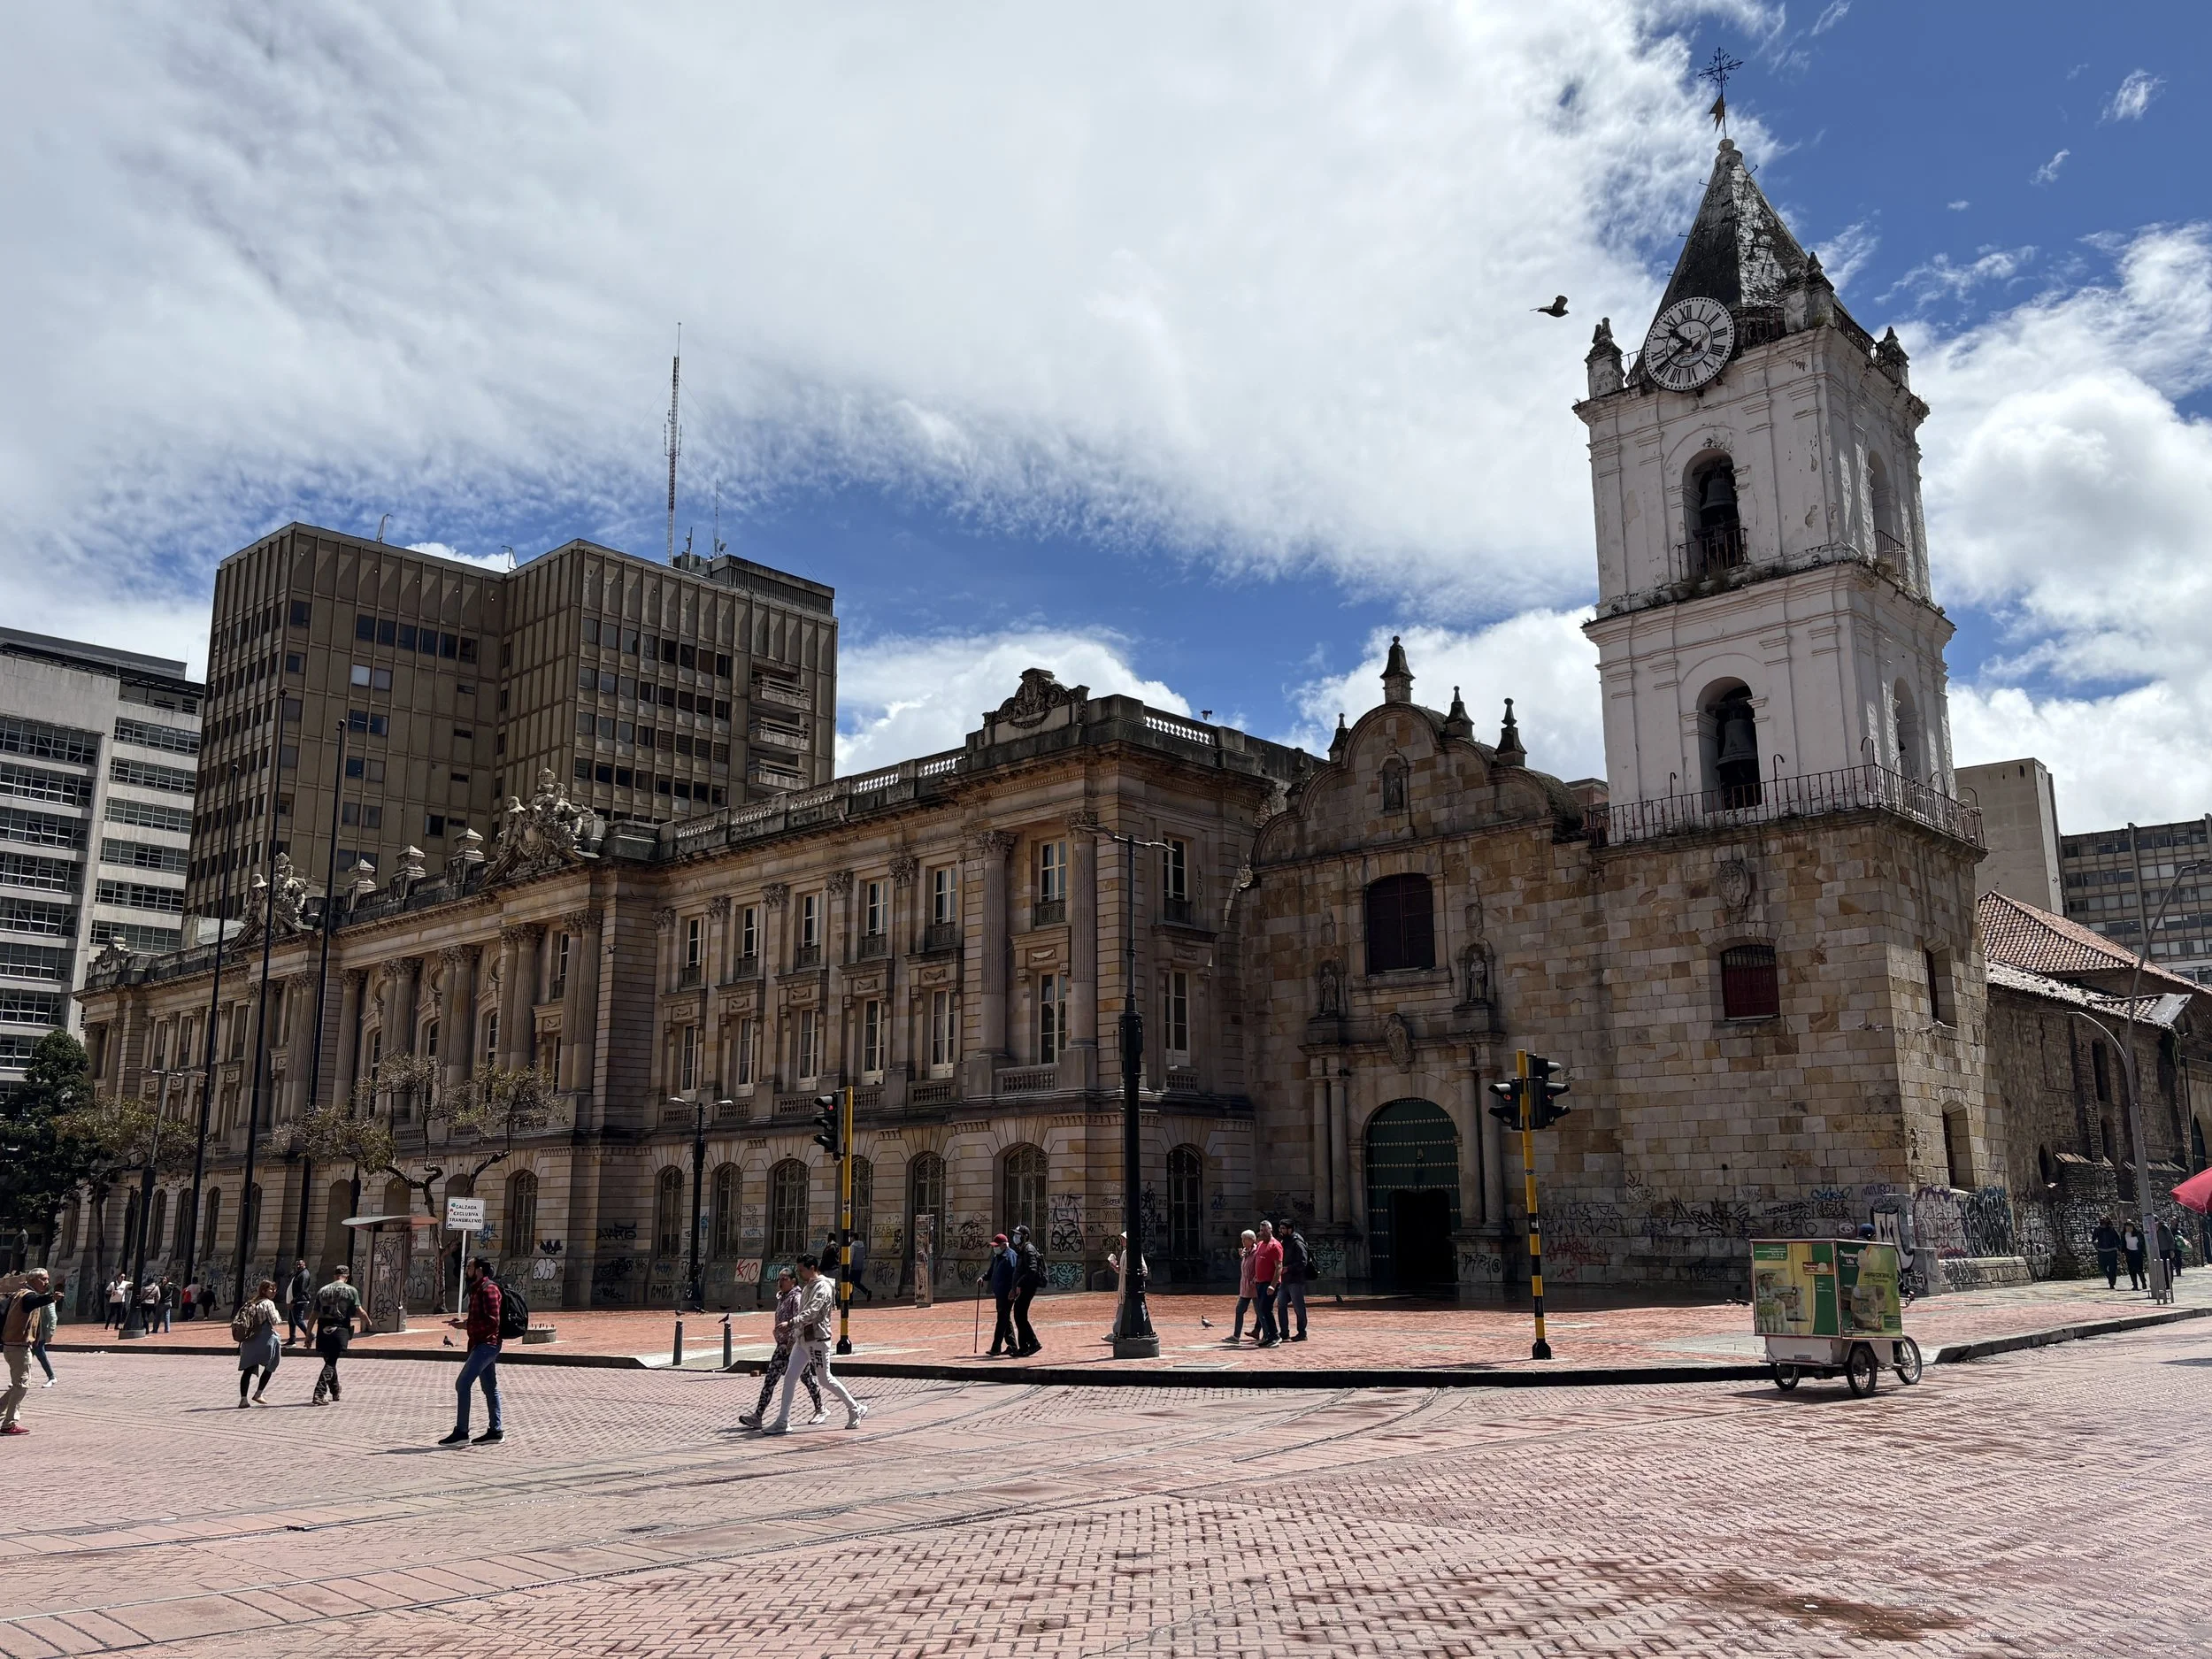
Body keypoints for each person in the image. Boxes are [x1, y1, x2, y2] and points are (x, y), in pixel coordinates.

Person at [763, 1255, 864, 1433]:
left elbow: (812, 1312)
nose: (799, 1274)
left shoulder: (822, 1287)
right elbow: (804, 1311)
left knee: (825, 1378)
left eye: (801, 1270)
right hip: (802, 1339)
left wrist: (791, 1323)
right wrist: (794, 1336)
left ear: (812, 1268)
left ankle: (855, 1408)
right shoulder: (809, 1286)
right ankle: (782, 1421)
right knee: (790, 1377)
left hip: (818, 1340)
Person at [739, 1268, 823, 1429]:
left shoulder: (796, 1298)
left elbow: (799, 1321)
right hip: (782, 1346)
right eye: (780, 1279)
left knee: (807, 1379)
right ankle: (758, 1415)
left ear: (793, 1281)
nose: (781, 1282)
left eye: (784, 1279)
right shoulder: (783, 1297)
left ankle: (820, 1408)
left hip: (794, 1346)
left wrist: (791, 1342)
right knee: (770, 1379)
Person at [441, 1256, 505, 1446]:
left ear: (479, 1270)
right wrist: (464, 1325)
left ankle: (462, 1432)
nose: (466, 1270)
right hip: (479, 1344)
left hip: (487, 1345)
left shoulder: (489, 1289)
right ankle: (495, 1431)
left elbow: (493, 1321)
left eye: (469, 1266)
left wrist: (468, 1326)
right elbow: (481, 1319)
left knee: (462, 1384)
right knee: (490, 1388)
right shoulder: (477, 1289)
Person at [2, 1269, 63, 1433]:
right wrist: (51, 1298)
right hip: (18, 1346)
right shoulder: (27, 1295)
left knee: (19, 1384)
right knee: (22, 1385)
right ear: (33, 1280)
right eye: (43, 1279)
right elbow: (34, 1301)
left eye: (47, 1279)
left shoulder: (19, 1294)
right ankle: (9, 1424)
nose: (47, 1283)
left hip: (14, 1345)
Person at [310, 1263, 363, 1405]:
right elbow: (359, 1310)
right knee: (331, 1361)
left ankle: (335, 1390)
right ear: (347, 1276)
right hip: (339, 1329)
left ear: (335, 1275)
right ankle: (319, 1394)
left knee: (329, 1360)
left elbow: (314, 1315)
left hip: (323, 1328)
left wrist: (309, 1333)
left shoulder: (323, 1290)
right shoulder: (351, 1290)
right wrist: (369, 1321)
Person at [234, 1278, 282, 1407]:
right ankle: (259, 1393)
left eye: (275, 1289)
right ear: (264, 1290)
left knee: (248, 1370)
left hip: (249, 1340)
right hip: (265, 1339)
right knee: (271, 1364)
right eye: (271, 1289)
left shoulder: (250, 1303)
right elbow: (275, 1321)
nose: (274, 1292)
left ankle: (243, 1399)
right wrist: (277, 1313)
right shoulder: (268, 1303)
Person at [1009, 1225, 1045, 1356]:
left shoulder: (1029, 1249)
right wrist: (1014, 1288)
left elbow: (1032, 1270)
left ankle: (1033, 1343)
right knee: (1019, 1317)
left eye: (1018, 1235)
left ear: (1025, 1237)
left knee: (1020, 1316)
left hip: (1027, 1288)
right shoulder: (1022, 1249)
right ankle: (1023, 1347)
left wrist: (1019, 1284)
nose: (1015, 1237)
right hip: (1022, 1288)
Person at [979, 1233, 1018, 1356]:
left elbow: (1014, 1276)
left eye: (996, 1246)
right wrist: (983, 1278)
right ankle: (1012, 1346)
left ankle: (996, 1347)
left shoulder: (1010, 1257)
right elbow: (991, 1271)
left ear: (1003, 1245)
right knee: (1005, 1319)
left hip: (1007, 1293)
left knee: (1002, 1319)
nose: (994, 1248)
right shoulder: (997, 1257)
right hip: (999, 1293)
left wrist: (1013, 1290)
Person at [1251, 1220, 1283, 1348]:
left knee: (1266, 1309)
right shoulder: (1260, 1245)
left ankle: (1275, 1335)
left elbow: (1279, 1266)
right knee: (1262, 1310)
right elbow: (1259, 1263)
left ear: (1271, 1230)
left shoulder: (1275, 1245)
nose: (1262, 1233)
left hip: (1269, 1283)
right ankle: (1268, 1336)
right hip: (1260, 1282)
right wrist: (1255, 1277)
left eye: (1265, 1230)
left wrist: (1273, 1285)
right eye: (1261, 1230)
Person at [1279, 1222, 1312, 1342]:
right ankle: (1284, 1332)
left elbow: (1303, 1262)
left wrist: (1288, 1268)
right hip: (1284, 1280)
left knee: (1298, 1307)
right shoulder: (1284, 1242)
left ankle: (1302, 1332)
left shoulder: (1298, 1243)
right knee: (1281, 1305)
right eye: (1280, 1228)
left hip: (1296, 1280)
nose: (1281, 1231)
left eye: (1283, 1228)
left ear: (1290, 1229)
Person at [1224, 1230, 1257, 1343]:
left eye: (1244, 1239)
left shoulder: (1256, 1252)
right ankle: (1236, 1336)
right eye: (1242, 1239)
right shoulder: (1245, 1252)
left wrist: (1256, 1278)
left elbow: (1258, 1267)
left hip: (1255, 1287)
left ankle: (1266, 1334)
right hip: (1245, 1287)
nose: (1242, 1241)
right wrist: (1242, 1257)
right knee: (1239, 1310)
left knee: (1261, 1312)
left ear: (1251, 1240)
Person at [285, 1258, 314, 1347]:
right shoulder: (297, 1274)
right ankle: (292, 1340)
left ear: (304, 1265)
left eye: (300, 1264)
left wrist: (294, 1300)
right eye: (297, 1264)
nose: (298, 1266)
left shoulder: (304, 1274)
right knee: (291, 1321)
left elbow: (302, 1289)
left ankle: (310, 1335)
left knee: (298, 1320)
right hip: (293, 1301)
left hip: (299, 1301)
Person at [2092, 1217, 2122, 1289]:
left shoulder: (2111, 1229)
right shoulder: (2097, 1229)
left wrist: (2119, 1248)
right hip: (2102, 1250)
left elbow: (2117, 1239)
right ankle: (2109, 1277)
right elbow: (2094, 1238)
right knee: (2102, 1266)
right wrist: (2095, 1243)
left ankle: (2112, 1283)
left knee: (2113, 1268)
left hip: (2111, 1250)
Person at [2123, 1219, 2147, 1290]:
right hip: (2129, 1253)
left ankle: (2143, 1282)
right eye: (2126, 1227)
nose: (2128, 1228)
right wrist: (2123, 1252)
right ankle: (2135, 1285)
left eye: (2129, 1227)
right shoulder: (2124, 1234)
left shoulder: (2138, 1233)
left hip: (2137, 1253)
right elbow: (2123, 1243)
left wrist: (2142, 1251)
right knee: (2131, 1270)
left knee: (2139, 1270)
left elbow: (2142, 1243)